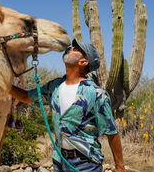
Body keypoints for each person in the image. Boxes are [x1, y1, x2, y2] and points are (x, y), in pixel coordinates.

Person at [10, 39, 126, 172]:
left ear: (83, 62)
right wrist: (3, 85)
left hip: (86, 164)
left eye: (76, 49)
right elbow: (26, 97)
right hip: (59, 160)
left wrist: (120, 166)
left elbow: (111, 132)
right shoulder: (54, 86)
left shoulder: (97, 94)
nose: (70, 47)